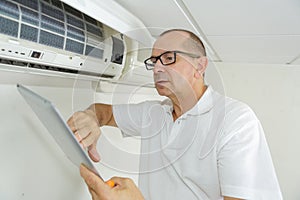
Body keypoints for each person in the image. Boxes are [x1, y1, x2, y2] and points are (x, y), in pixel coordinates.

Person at [68, 29, 282, 200]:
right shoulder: (154, 113)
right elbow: (102, 111)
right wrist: (90, 118)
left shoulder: (236, 121)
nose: (157, 69)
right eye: (153, 61)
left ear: (200, 65)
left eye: (168, 58)